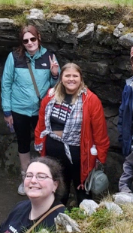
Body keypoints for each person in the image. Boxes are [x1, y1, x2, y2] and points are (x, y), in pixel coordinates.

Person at [35, 63, 110, 207]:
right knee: (58, 189)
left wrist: (99, 159)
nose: (71, 79)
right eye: (67, 75)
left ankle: (84, 221)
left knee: (82, 190)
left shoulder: (91, 100)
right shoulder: (50, 96)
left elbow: (100, 133)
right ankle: (56, 218)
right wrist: (40, 145)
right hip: (53, 150)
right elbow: (41, 124)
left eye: (75, 76)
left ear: (81, 78)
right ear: (61, 78)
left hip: (79, 153)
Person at [1, 25, 60, 196]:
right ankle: (26, 179)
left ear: (38, 38)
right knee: (23, 144)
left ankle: (44, 179)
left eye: (32, 39)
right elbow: (6, 84)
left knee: (43, 144)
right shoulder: (14, 57)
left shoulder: (49, 57)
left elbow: (55, 89)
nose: (29, 43)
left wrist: (55, 74)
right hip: (19, 109)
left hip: (41, 111)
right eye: (25, 40)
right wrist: (7, 111)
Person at [0, 157, 65, 233]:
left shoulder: (61, 223)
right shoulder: (20, 207)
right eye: (29, 175)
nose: (33, 181)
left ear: (55, 185)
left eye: (41, 176)